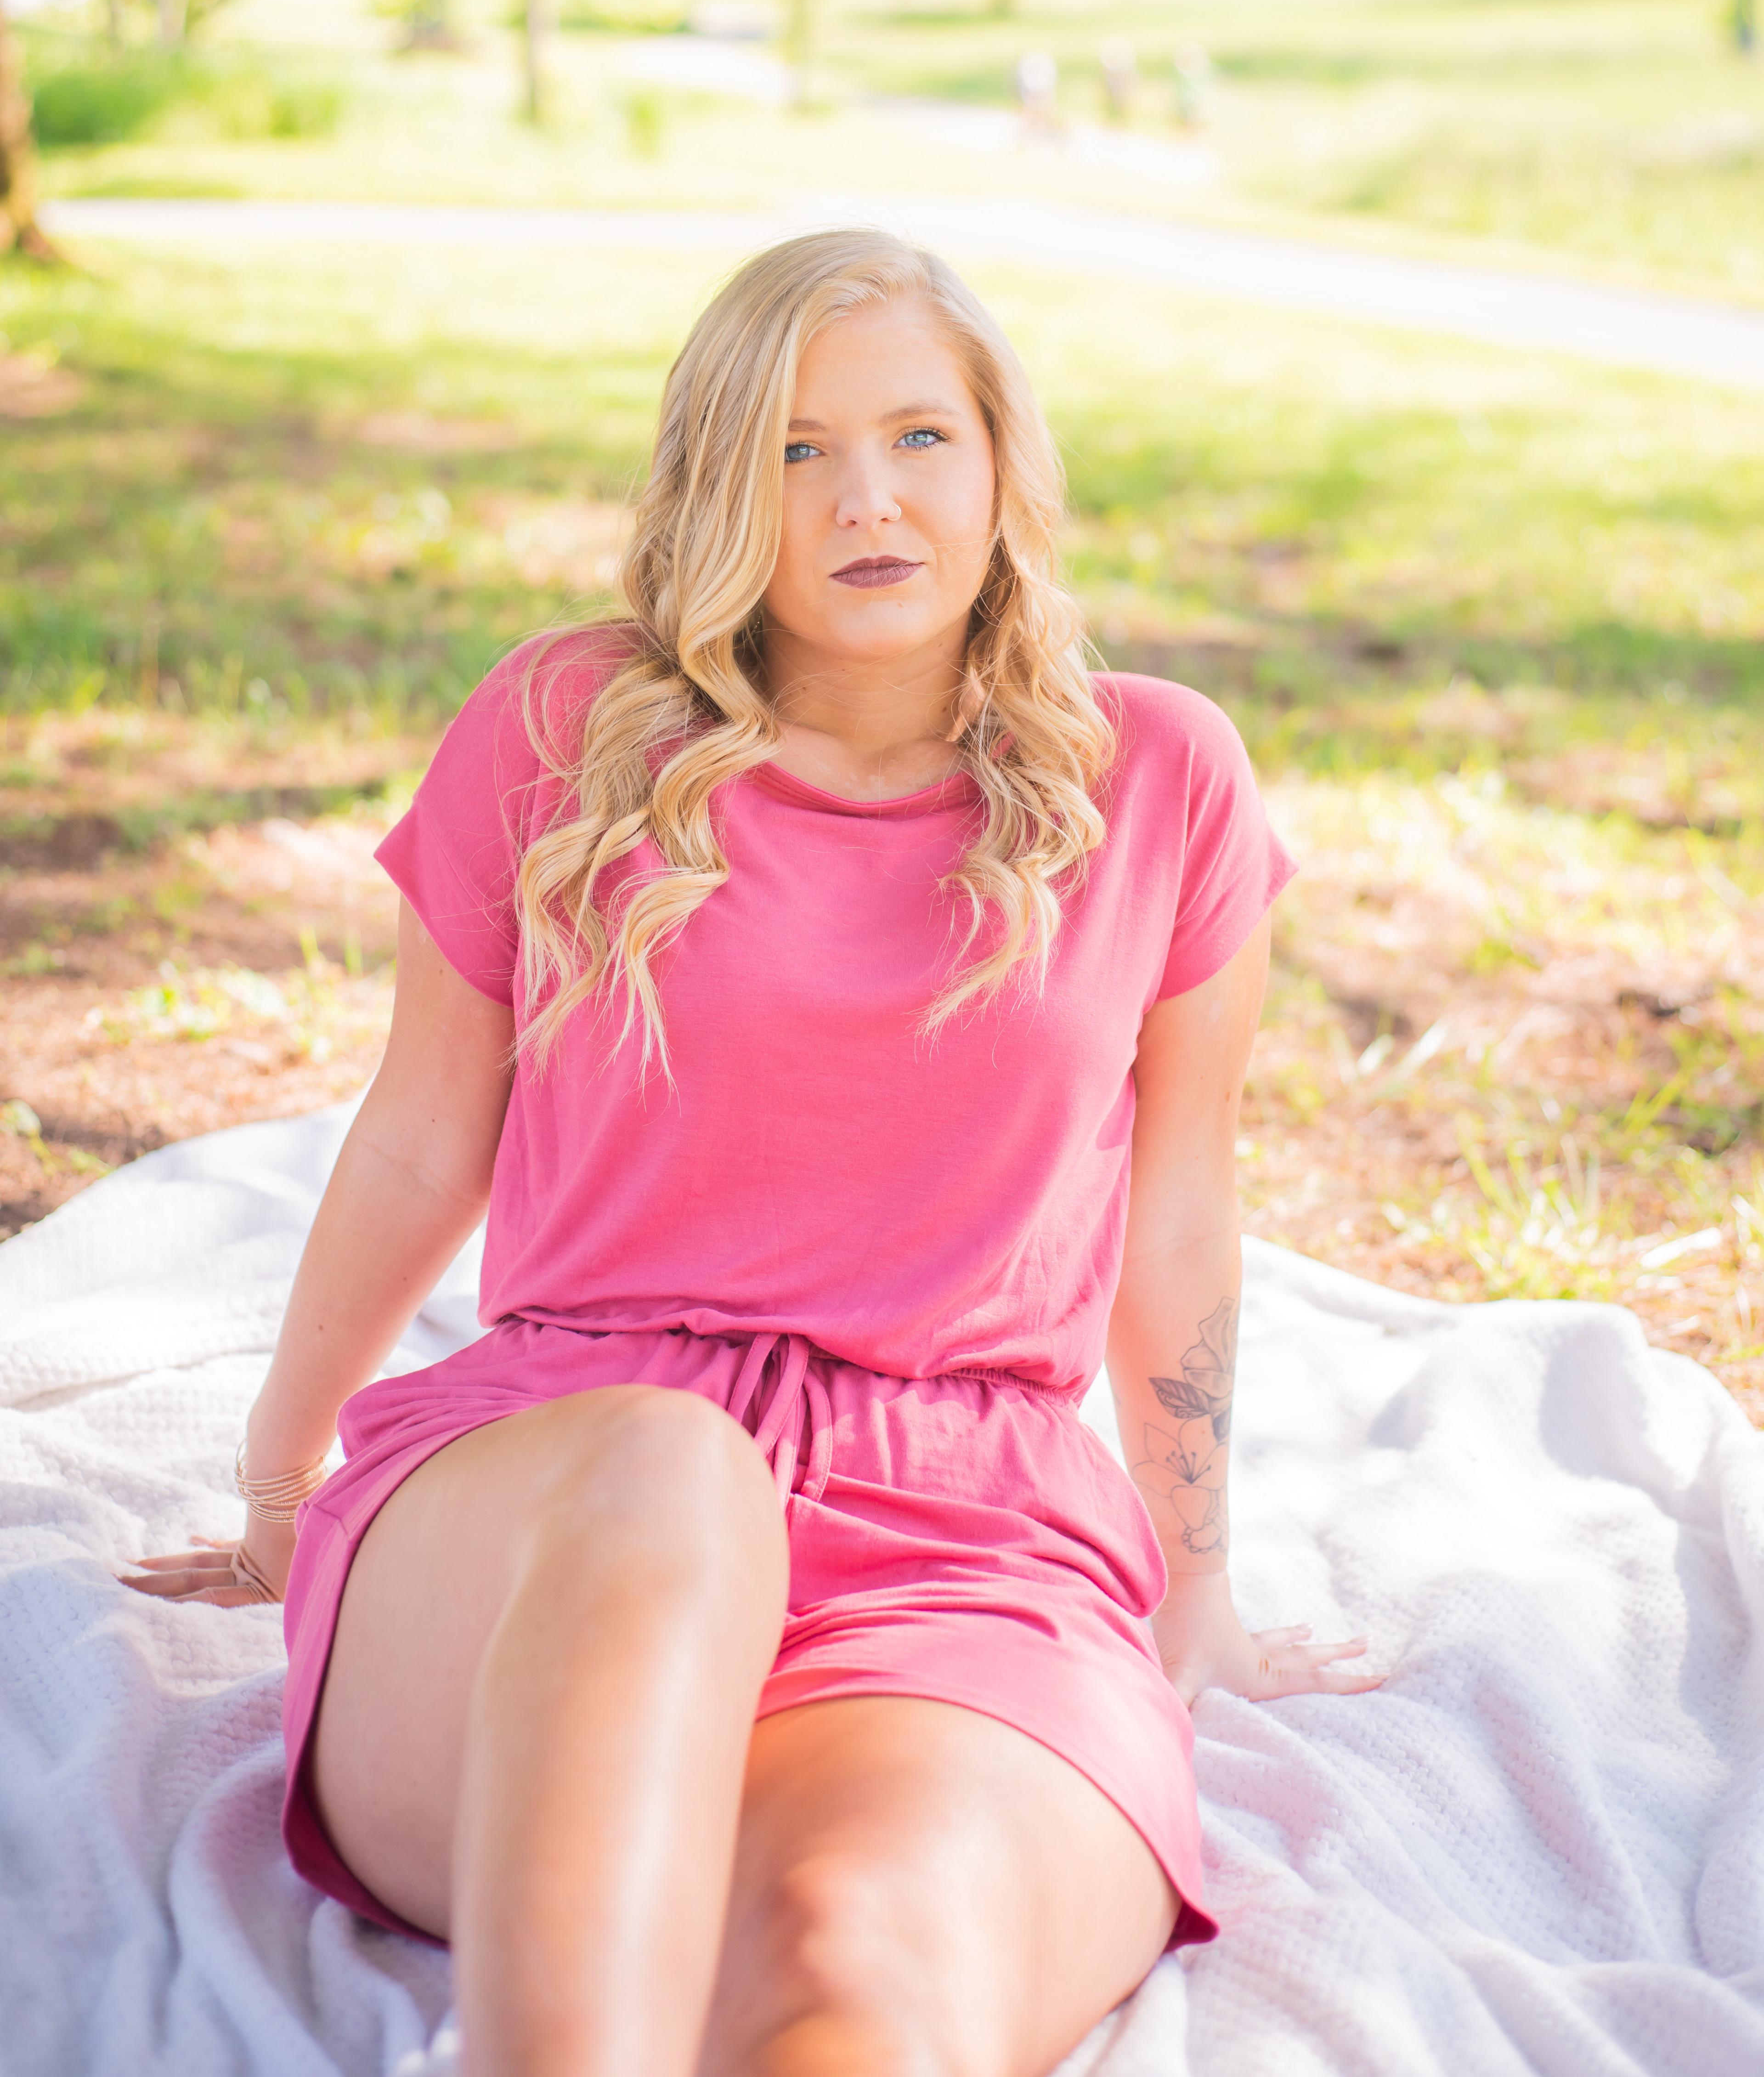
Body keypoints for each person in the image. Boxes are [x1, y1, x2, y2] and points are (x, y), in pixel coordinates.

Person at [124, 232, 1378, 2077]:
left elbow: (1178, 1214)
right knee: (672, 1468)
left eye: (919, 436)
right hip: (573, 1484)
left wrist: (1197, 1583)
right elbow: (416, 1143)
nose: (868, 498)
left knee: (851, 1963)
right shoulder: (566, 730)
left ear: (1001, 463)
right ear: (719, 487)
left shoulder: (1160, 777)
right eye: (796, 450)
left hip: (962, 1530)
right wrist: (278, 1476)